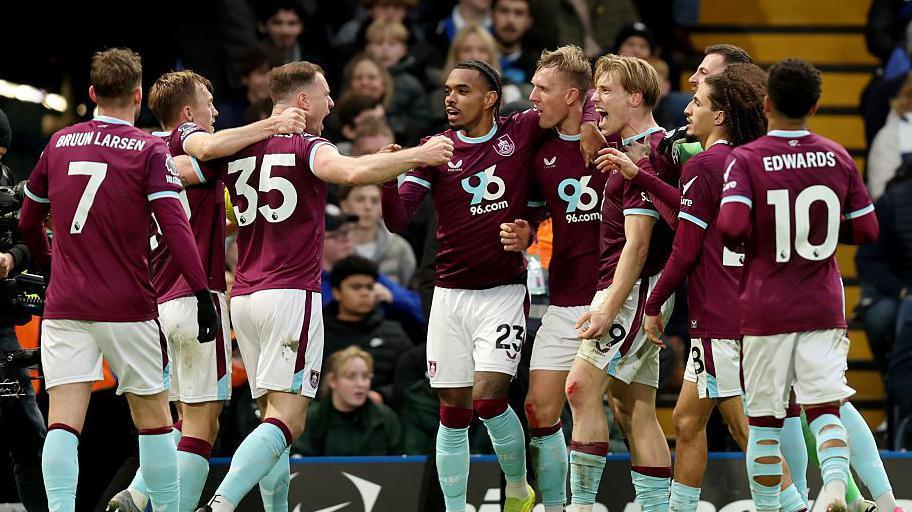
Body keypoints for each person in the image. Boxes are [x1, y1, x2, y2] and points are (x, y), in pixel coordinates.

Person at [196, 60, 452, 512]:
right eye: (326, 94)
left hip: (246, 298)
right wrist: (417, 156)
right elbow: (350, 174)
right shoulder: (308, 145)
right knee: (289, 421)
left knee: (270, 421)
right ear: (302, 100)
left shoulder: (238, 147)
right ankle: (221, 503)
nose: (332, 102)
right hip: (290, 293)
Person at [382, 59, 600, 512]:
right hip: (448, 296)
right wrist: (389, 177)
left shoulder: (519, 131)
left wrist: (531, 226)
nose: (450, 99)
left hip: (502, 292)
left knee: (487, 398)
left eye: (463, 90)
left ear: (490, 98)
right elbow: (399, 218)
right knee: (453, 413)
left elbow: (578, 104)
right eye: (447, 90)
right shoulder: (435, 148)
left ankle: (518, 487)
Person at [18, 48, 219, 512]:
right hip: (128, 305)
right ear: (137, 95)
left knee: (63, 423)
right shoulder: (150, 149)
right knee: (153, 420)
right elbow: (175, 227)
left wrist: (52, 262)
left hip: (66, 305)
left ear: (91, 94)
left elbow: (30, 219)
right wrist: (201, 292)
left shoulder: (59, 143)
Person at [106, 70, 307, 512]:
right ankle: (162, 503)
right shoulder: (189, 142)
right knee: (202, 428)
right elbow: (211, 150)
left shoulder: (143, 158)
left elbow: (206, 212)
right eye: (209, 101)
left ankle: (139, 491)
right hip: (196, 299)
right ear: (186, 113)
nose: (216, 111)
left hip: (154, 304)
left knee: (177, 419)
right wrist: (272, 126)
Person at [603, 63, 775, 511]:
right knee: (686, 418)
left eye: (698, 102)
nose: (690, 107)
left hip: (719, 313)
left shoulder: (703, 162)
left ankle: (787, 506)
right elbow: (694, 208)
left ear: (719, 115)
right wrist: (640, 175)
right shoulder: (749, 160)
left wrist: (654, 304)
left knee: (743, 427)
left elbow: (684, 245)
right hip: (748, 305)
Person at [717, 58, 882, 512]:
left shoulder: (747, 159)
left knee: (766, 422)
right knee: (826, 407)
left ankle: (773, 508)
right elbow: (867, 231)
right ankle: (834, 486)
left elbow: (731, 226)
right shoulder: (836, 156)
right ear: (816, 105)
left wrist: (769, 229)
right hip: (821, 304)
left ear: (767, 103)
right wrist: (820, 233)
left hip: (767, 307)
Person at [565, 54, 675, 512]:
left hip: (632, 290)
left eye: (606, 90)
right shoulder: (640, 146)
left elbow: (639, 245)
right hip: (636, 290)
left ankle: (582, 506)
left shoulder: (643, 153)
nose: (595, 99)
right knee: (635, 407)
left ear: (636, 97)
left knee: (579, 388)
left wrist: (609, 306)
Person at [496, 45, 603, 512]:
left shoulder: (611, 141)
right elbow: (540, 210)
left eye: (543, 88)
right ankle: (556, 506)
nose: (532, 96)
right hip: (565, 298)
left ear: (574, 95)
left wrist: (596, 124)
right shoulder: (540, 152)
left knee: (620, 408)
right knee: (539, 408)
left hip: (614, 296)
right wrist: (526, 229)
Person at [0, 108, 48, 512]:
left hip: (2, 330)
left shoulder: (7, 183)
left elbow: (30, 237)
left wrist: (11, 259)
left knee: (29, 436)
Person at [323, 255, 413, 404]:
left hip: (380, 418)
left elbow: (409, 382)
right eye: (356, 287)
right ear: (337, 292)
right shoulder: (318, 333)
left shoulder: (394, 334)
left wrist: (382, 396)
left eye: (370, 287)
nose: (365, 293)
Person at [292, 346, 403, 456]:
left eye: (365, 377)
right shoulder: (311, 419)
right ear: (332, 381)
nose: (361, 384)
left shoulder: (385, 418)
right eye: (351, 377)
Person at [340, 184, 416, 285]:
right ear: (344, 205)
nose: (368, 207)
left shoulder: (400, 248)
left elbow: (413, 293)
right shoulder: (331, 246)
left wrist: (393, 295)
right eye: (360, 199)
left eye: (375, 201)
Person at [491, 0, 537, 86]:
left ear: (529, 21)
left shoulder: (539, 67)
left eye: (518, 13)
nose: (510, 20)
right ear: (492, 16)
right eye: (504, 11)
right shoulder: (475, 58)